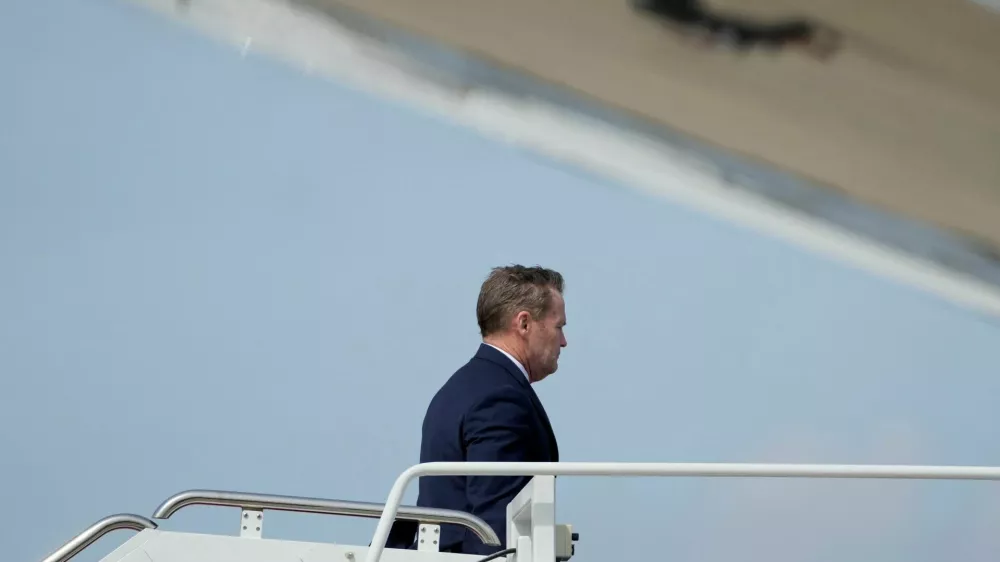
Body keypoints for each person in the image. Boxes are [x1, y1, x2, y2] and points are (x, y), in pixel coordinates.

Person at [385, 265, 567, 554]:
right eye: (559, 327)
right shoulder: (501, 399)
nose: (564, 341)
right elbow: (492, 527)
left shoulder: (456, 390)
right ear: (524, 323)